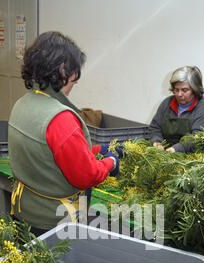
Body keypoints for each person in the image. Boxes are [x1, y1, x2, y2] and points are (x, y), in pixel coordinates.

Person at [8, 31, 120, 236]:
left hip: (23, 209)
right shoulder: (60, 119)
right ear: (60, 70)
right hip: (53, 221)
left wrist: (96, 150)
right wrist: (111, 161)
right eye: (73, 74)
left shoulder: (23, 104)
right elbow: (86, 176)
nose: (75, 81)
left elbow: (49, 151)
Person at [149, 66, 204, 153]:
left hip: (194, 158)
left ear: (195, 90)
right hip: (167, 153)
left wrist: (177, 149)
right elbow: (155, 127)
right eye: (176, 90)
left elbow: (198, 138)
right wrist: (156, 141)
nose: (179, 94)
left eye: (184, 90)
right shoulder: (167, 103)